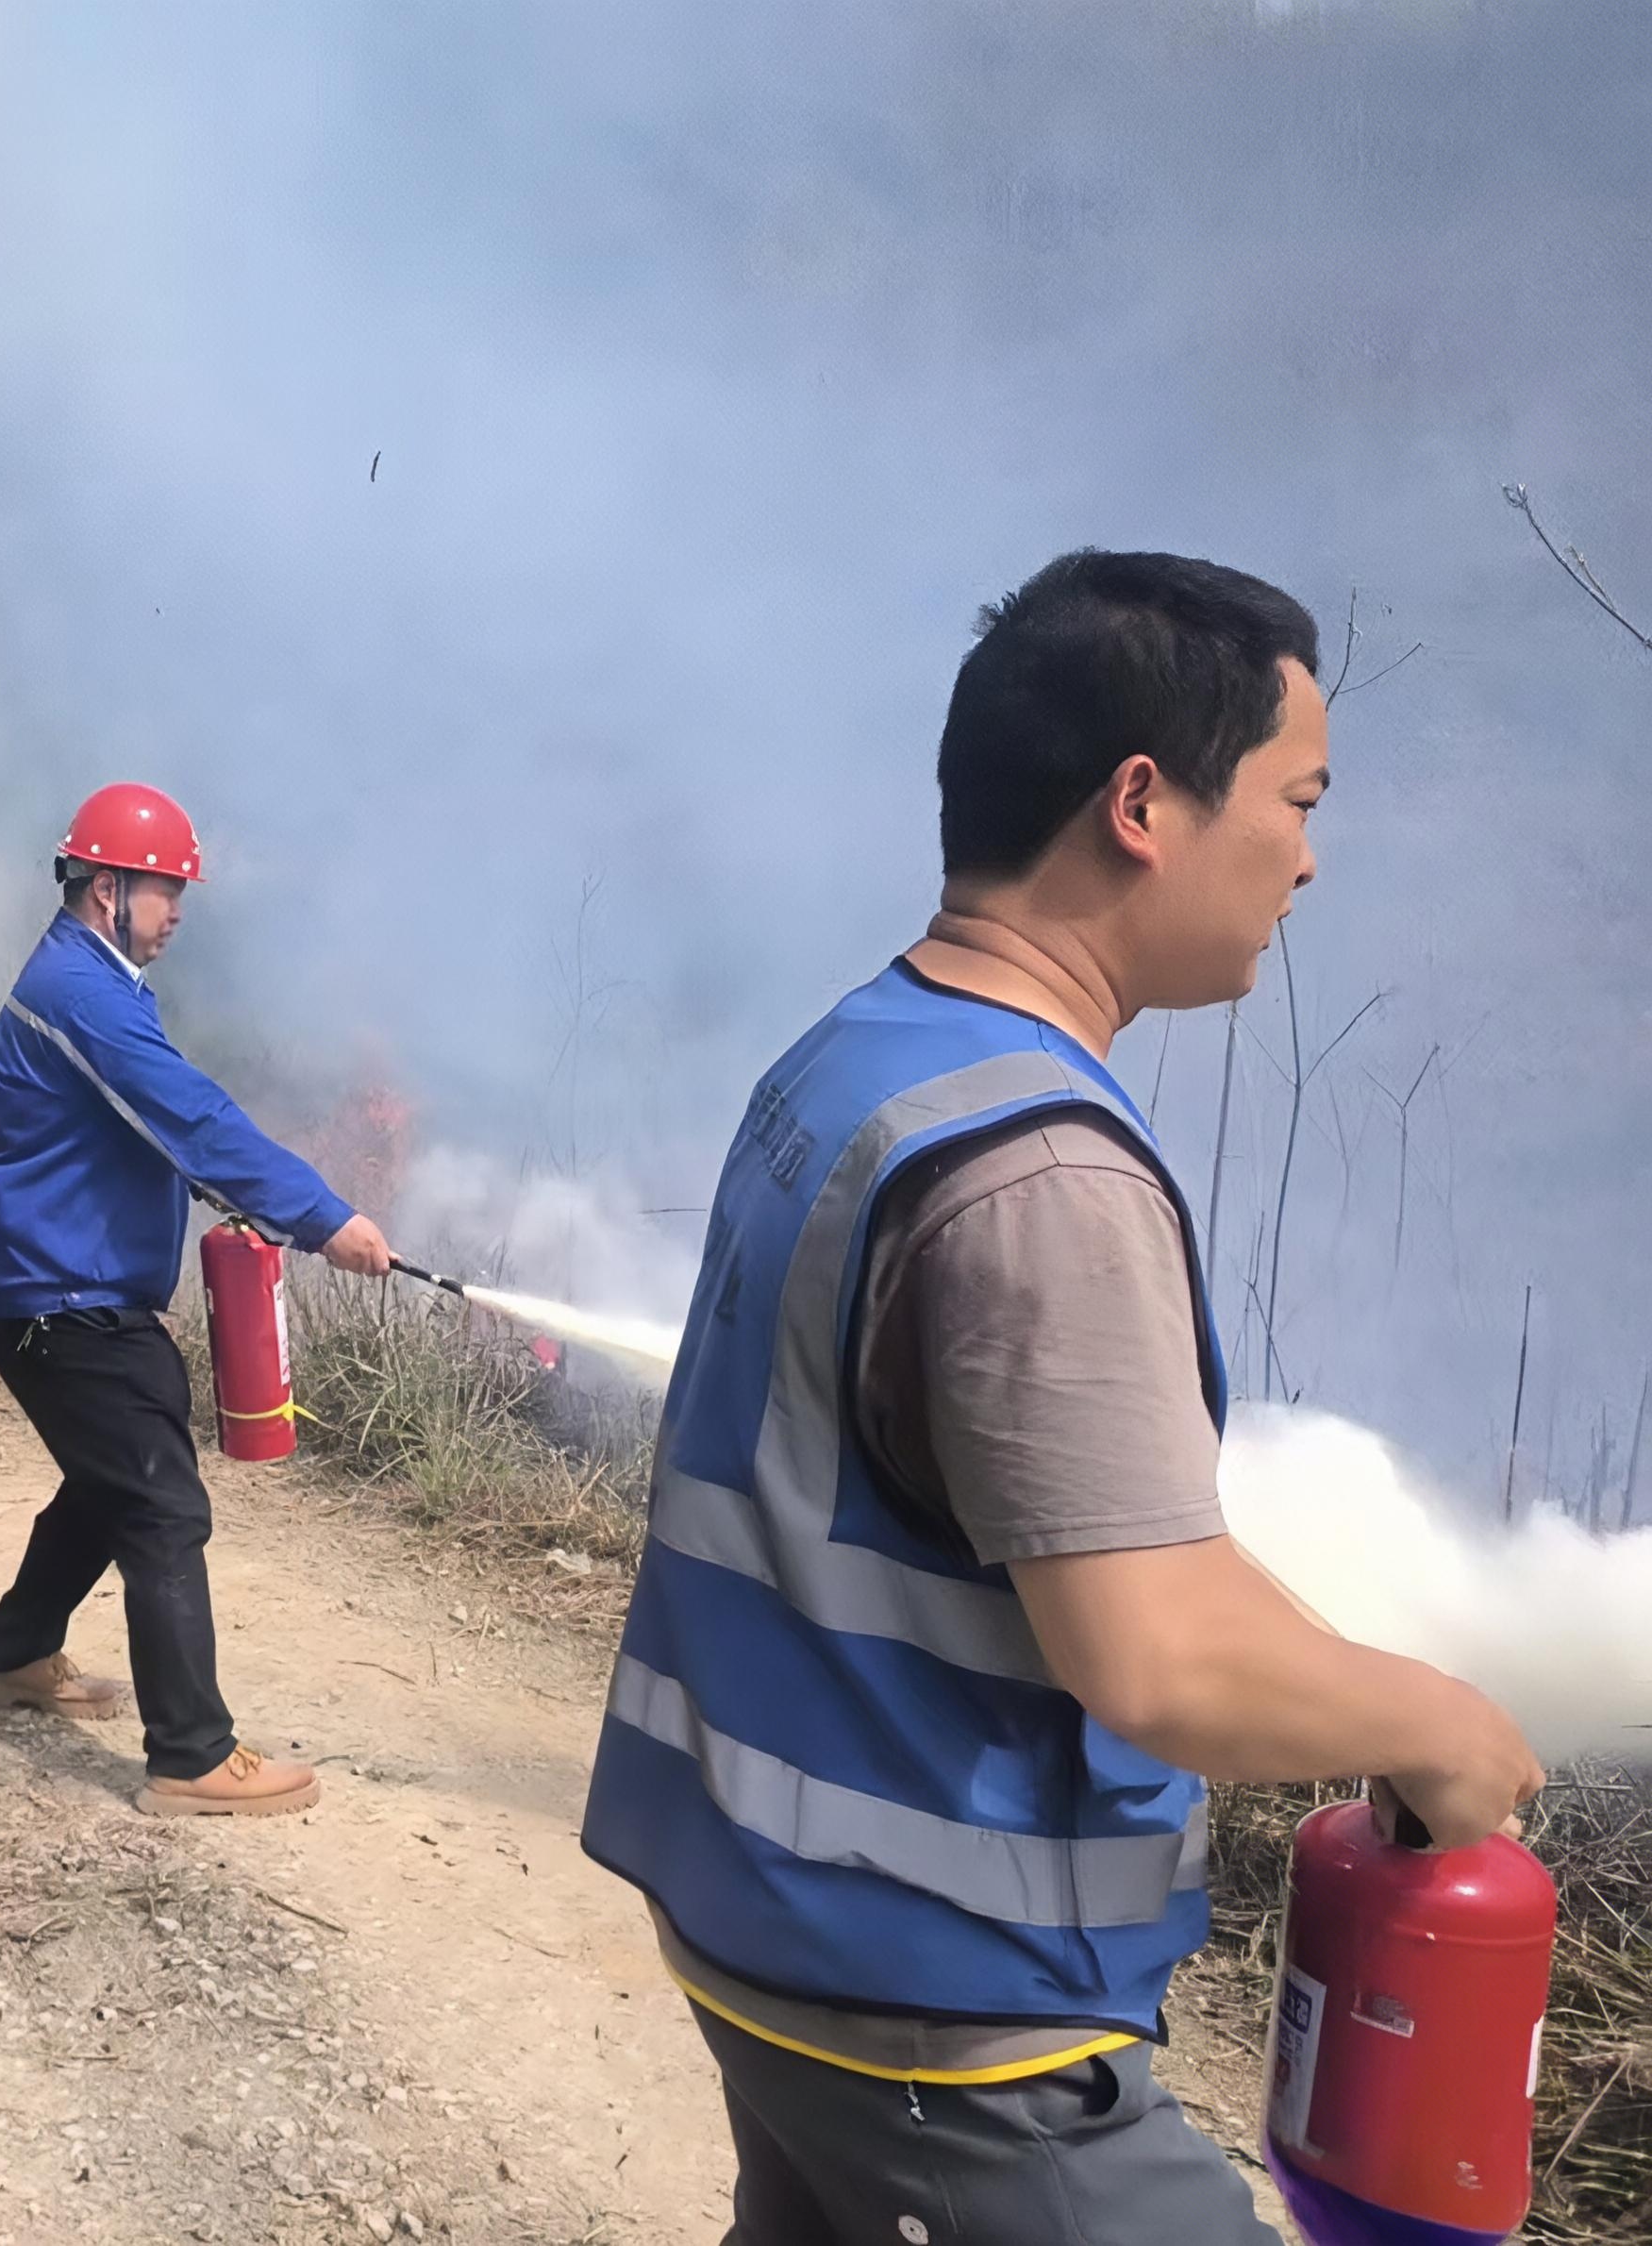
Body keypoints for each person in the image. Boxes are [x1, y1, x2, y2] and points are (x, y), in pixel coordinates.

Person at [576, 551, 1544, 2244]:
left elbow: (1112, 1544)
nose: (1308, 860)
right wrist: (1433, 1725)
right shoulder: (1043, 1176)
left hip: (766, 1923)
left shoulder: (860, 1057)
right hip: (947, 2019)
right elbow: (1154, 1662)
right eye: (1297, 800)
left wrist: (1345, 1676)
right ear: (1141, 804)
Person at [0, 783, 393, 1818]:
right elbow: (195, 1118)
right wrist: (323, 1217)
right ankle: (191, 1755)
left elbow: (147, 1132)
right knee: (160, 1502)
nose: (179, 912)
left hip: (60, 1286)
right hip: (61, 1296)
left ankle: (14, 1652)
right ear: (107, 888)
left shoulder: (90, 981)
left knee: (111, 1479)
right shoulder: (82, 992)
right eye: (168, 890)